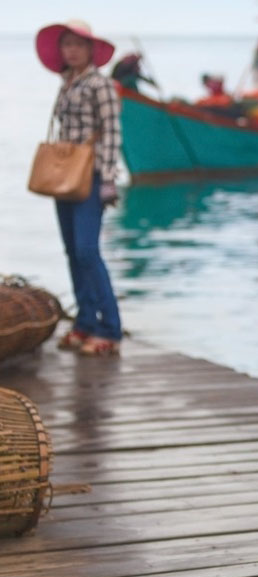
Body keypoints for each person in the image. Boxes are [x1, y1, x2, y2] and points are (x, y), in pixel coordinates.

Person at [35, 19, 123, 356]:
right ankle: (85, 321)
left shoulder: (100, 84)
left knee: (88, 251)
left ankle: (110, 328)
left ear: (90, 50)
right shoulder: (67, 83)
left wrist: (110, 178)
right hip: (65, 176)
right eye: (66, 45)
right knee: (73, 251)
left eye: (77, 45)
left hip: (91, 176)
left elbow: (112, 131)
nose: (71, 50)